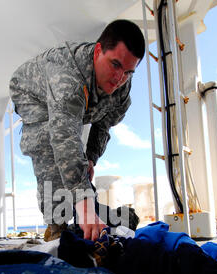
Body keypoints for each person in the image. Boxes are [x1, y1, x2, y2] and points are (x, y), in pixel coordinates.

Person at [9, 20, 145, 241]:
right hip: (32, 94)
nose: (120, 78)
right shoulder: (67, 77)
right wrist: (84, 203)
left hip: (78, 99)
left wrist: (91, 158)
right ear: (99, 50)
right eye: (115, 65)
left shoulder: (121, 87)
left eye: (129, 72)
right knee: (49, 145)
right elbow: (64, 136)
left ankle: (79, 213)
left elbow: (104, 124)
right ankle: (57, 226)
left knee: (77, 162)